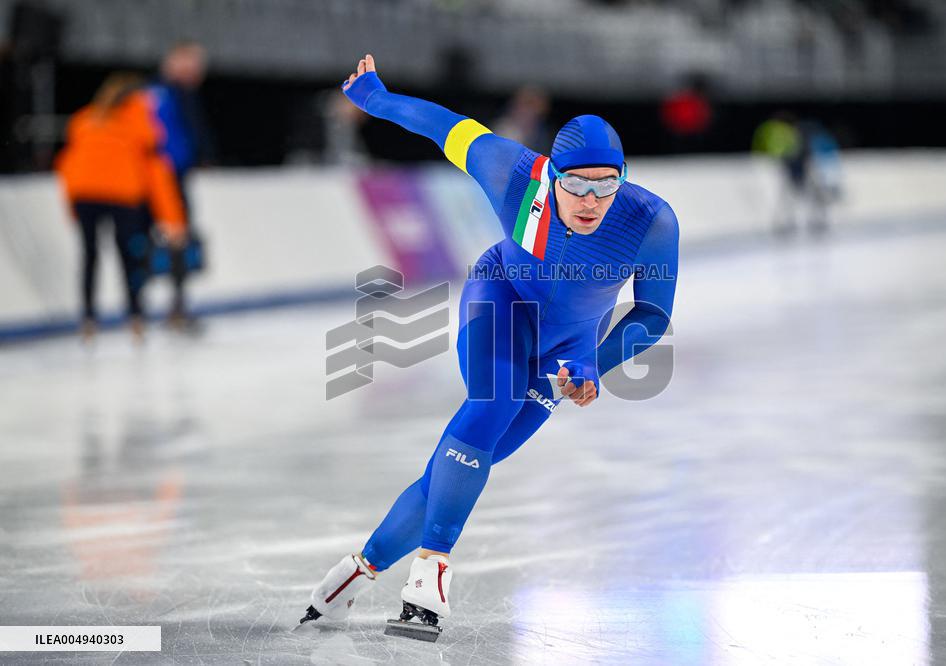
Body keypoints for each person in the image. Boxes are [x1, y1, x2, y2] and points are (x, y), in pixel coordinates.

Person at [300, 55, 679, 639]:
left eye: (607, 185)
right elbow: (441, 123)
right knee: (492, 405)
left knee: (476, 459)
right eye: (576, 183)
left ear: (624, 177)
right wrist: (375, 99)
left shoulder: (651, 220)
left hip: (573, 344)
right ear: (553, 174)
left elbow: (652, 314)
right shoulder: (511, 172)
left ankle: (356, 572)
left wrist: (592, 365)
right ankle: (431, 571)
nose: (590, 199)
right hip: (499, 297)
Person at [55, 73, 187, 342]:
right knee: (129, 256)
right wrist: (173, 219)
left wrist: (71, 204)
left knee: (90, 256)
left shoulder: (84, 120)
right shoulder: (140, 124)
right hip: (123, 196)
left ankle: (89, 319)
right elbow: (157, 173)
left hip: (85, 196)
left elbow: (68, 166)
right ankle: (135, 317)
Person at [146, 40, 215, 330]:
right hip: (163, 177)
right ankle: (171, 307)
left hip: (163, 175)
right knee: (175, 238)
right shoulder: (164, 94)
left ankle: (170, 305)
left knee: (174, 239)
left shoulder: (165, 94)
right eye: (191, 63)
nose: (197, 71)